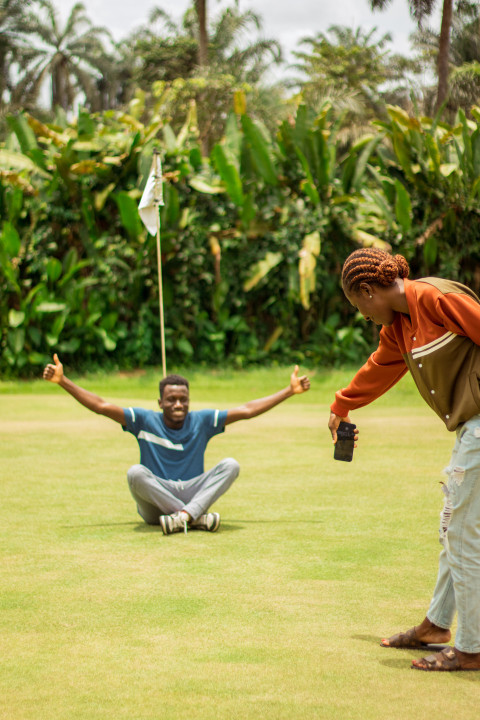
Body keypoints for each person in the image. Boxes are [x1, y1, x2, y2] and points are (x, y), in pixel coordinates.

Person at [328, 247, 480, 672]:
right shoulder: (400, 326)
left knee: (464, 531)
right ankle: (435, 624)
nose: (365, 316)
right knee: (454, 524)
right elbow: (380, 367)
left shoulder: (433, 299)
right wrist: (342, 404)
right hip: (470, 428)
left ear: (367, 290)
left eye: (360, 308)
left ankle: (472, 648)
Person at [43, 354, 310, 535]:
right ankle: (195, 518)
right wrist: (63, 381)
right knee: (135, 473)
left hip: (192, 491)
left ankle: (183, 517)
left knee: (231, 465)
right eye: (171, 399)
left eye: (183, 399)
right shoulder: (143, 420)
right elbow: (101, 406)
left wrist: (289, 391)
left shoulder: (203, 420)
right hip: (154, 503)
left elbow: (247, 409)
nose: (178, 404)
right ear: (160, 403)